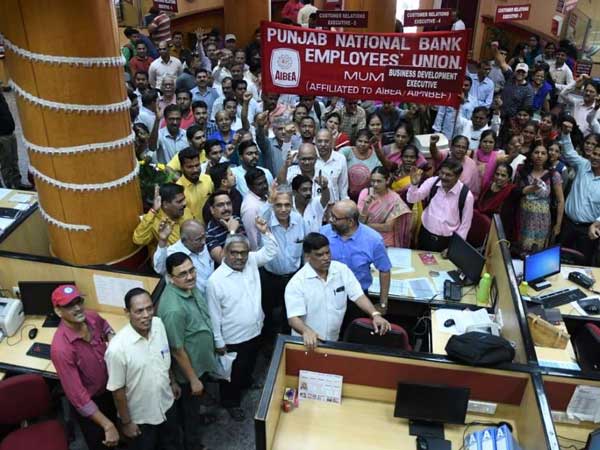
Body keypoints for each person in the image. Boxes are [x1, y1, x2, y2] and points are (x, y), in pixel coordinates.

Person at [206, 221, 279, 421]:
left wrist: (265, 232)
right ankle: (230, 402)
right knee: (231, 375)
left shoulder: (251, 262)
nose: (239, 257)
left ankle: (246, 382)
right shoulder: (215, 281)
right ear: (225, 253)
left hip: (255, 330)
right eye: (234, 253)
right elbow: (214, 314)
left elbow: (271, 251)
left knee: (248, 364)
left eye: (243, 253)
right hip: (232, 338)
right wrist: (218, 341)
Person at [285, 232, 391, 350]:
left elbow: (358, 295)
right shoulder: (297, 283)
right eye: (320, 255)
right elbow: (293, 318)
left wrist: (375, 314)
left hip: (333, 342)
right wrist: (306, 331)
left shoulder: (342, 270)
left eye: (327, 252)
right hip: (306, 344)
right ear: (307, 256)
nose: (326, 258)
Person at [105, 288, 182, 450]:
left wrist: (172, 381)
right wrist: (127, 423)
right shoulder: (117, 349)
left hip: (167, 404)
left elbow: (164, 357)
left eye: (149, 308)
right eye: (139, 311)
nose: (146, 315)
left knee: (172, 444)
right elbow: (118, 391)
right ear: (127, 312)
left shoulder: (158, 324)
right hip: (141, 418)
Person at [158, 253, 219, 449]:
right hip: (189, 373)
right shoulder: (173, 309)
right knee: (189, 413)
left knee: (194, 407)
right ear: (170, 277)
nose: (190, 276)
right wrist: (193, 379)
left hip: (200, 363)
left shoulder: (188, 288)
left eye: (192, 270)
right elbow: (177, 349)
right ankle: (192, 444)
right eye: (183, 274)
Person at [50, 285, 118, 450]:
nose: (77, 308)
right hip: (91, 403)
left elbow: (106, 326)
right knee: (101, 443)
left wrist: (112, 340)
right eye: (69, 305)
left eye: (79, 301)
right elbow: (78, 398)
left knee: (118, 429)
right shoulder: (61, 349)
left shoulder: (91, 317)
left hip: (110, 389)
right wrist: (107, 425)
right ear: (58, 311)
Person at [320, 199, 391, 328]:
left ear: (350, 221)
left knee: (352, 332)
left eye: (335, 218)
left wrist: (383, 303)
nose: (330, 220)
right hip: (327, 295)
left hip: (357, 299)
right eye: (331, 215)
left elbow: (384, 270)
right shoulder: (324, 233)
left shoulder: (373, 240)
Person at [260, 188, 306, 341]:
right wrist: (269, 201)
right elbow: (260, 216)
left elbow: (304, 247)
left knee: (292, 313)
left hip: (294, 277)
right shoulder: (266, 220)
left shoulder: (298, 220)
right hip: (270, 278)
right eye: (278, 205)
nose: (283, 209)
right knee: (268, 315)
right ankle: (268, 345)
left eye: (287, 205)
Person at [407, 159, 474, 251]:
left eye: (448, 175)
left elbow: (465, 226)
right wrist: (414, 185)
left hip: (446, 242)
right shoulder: (433, 182)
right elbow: (412, 199)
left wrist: (454, 248)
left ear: (458, 176)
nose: (443, 177)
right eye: (442, 173)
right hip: (425, 235)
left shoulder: (466, 196)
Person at [558, 127, 600, 264]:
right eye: (595, 153)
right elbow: (569, 152)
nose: (595, 157)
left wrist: (597, 223)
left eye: (599, 155)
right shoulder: (583, 165)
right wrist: (565, 133)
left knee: (582, 265)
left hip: (588, 231)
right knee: (558, 260)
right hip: (567, 225)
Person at [514, 144, 564, 253]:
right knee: (520, 250)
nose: (539, 156)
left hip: (542, 221)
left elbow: (560, 201)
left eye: (543, 153)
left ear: (547, 156)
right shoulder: (522, 172)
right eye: (536, 152)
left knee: (537, 251)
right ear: (531, 155)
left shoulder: (553, 175)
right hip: (523, 218)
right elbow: (516, 192)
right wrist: (531, 188)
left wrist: (558, 225)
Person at [154, 219, 214, 295]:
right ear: (184, 241)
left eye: (204, 236)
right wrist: (163, 240)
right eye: (198, 239)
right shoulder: (173, 252)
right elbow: (160, 269)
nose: (204, 242)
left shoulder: (202, 245)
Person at [357, 166, 412, 248]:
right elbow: (360, 222)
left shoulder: (394, 199)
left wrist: (365, 226)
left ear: (387, 180)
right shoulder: (365, 193)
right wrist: (365, 207)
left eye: (379, 181)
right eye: (373, 181)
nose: (375, 184)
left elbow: (387, 227)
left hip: (385, 241)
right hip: (366, 238)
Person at [133, 183, 193, 254]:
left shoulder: (185, 211)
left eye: (184, 199)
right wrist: (153, 211)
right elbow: (139, 240)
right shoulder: (154, 221)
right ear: (165, 204)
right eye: (179, 201)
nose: (184, 203)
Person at [471, 163, 518, 244]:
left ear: (509, 178)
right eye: (497, 174)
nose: (499, 177)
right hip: (479, 226)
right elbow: (479, 204)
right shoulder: (488, 186)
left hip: (496, 231)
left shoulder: (511, 191)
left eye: (503, 175)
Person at [493, 46, 534, 119]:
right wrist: (495, 49)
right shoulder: (510, 77)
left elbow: (526, 109)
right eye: (518, 71)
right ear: (515, 71)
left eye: (523, 72)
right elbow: (502, 63)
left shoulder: (529, 89)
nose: (520, 73)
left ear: (527, 74)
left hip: (513, 119)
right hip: (498, 113)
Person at [339, 129, 381, 200]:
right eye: (360, 141)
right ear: (355, 141)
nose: (362, 144)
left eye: (366, 142)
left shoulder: (375, 156)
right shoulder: (347, 151)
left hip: (366, 196)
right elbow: (336, 162)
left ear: (370, 143)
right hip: (345, 194)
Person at [205, 190, 245, 264]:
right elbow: (222, 260)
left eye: (228, 204)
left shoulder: (236, 220)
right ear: (212, 210)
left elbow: (247, 247)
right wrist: (232, 232)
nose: (226, 208)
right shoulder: (209, 233)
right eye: (220, 205)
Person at [174, 147, 214, 220]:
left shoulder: (208, 180)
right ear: (182, 168)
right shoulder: (178, 190)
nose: (195, 170)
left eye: (197, 165)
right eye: (190, 167)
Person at [0, 91, 29, 189]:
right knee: (6, 162)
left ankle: (17, 183)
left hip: (10, 131)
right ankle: (10, 185)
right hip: (2, 135)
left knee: (14, 160)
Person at [315, 129, 350, 203]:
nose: (323, 144)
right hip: (314, 205)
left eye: (326, 141)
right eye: (320, 141)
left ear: (332, 142)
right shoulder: (310, 158)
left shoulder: (340, 159)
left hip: (334, 205)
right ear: (315, 142)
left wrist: (344, 204)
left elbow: (343, 188)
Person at [241, 168, 269, 250]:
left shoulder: (265, 195)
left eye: (265, 181)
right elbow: (253, 238)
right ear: (250, 186)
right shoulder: (250, 208)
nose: (265, 186)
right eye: (260, 184)